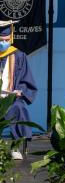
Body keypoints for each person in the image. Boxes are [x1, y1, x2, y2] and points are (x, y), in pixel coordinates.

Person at [0, 20, 38, 160]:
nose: (4, 42)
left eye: (6, 40)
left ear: (11, 38)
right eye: (1, 40)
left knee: (18, 107)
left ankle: (15, 146)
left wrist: (19, 91)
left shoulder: (18, 56)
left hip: (10, 98)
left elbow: (26, 80)